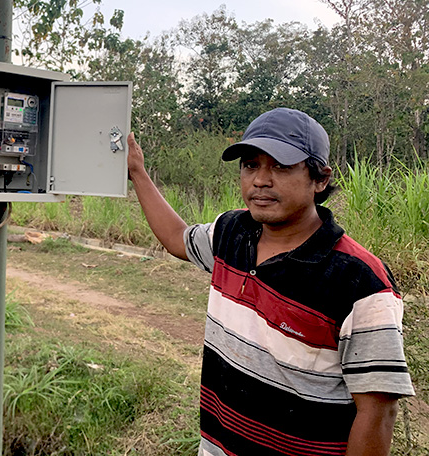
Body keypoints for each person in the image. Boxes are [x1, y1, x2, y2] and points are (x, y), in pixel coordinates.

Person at [127, 107, 414, 456]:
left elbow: (377, 413)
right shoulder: (231, 233)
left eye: (281, 166)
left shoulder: (360, 281)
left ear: (320, 179)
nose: (260, 180)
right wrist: (137, 171)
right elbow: (177, 239)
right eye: (251, 165)